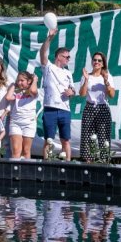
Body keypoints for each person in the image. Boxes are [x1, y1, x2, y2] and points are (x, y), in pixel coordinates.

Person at [39, 29, 75, 160]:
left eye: (69, 57)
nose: (68, 59)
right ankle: (47, 165)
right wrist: (49, 38)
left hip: (65, 110)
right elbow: (43, 53)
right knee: (48, 140)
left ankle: (68, 165)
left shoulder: (68, 73)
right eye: (67, 57)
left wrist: (71, 92)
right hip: (50, 109)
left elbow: (73, 90)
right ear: (59, 56)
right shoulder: (48, 67)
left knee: (65, 140)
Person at [79, 52, 116, 163]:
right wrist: (86, 80)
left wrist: (106, 81)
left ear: (103, 63)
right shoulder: (87, 76)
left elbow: (112, 95)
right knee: (87, 139)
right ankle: (87, 168)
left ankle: (104, 166)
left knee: (104, 140)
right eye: (95, 60)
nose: (96, 62)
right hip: (89, 108)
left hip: (102, 109)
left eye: (99, 60)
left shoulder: (107, 76)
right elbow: (82, 94)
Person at [5, 72, 38, 159]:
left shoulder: (32, 92)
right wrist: (13, 84)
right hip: (15, 122)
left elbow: (32, 91)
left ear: (29, 81)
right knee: (15, 149)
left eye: (22, 80)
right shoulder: (16, 92)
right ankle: (15, 171)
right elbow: (8, 97)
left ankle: (26, 171)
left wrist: (34, 80)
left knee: (26, 150)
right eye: (18, 80)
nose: (19, 83)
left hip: (29, 123)